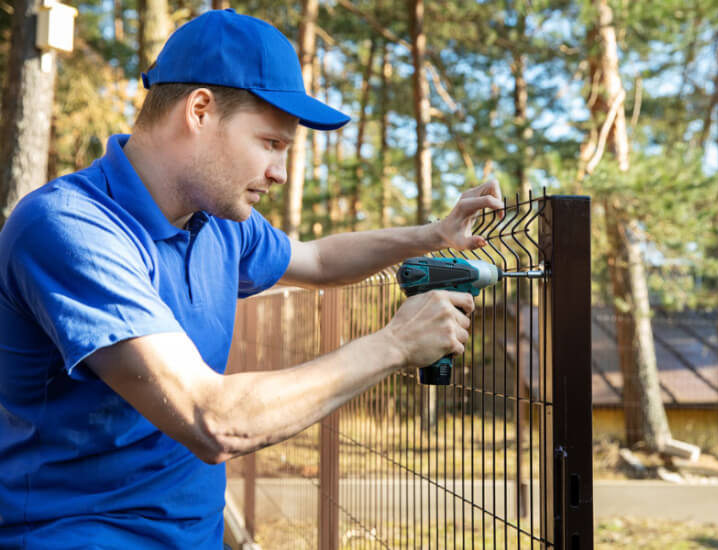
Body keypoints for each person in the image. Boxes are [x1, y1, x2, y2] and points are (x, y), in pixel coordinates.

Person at [0, 8, 502, 549]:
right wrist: (396, 344)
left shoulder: (217, 222)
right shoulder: (72, 228)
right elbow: (210, 418)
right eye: (271, 143)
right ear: (199, 110)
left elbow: (318, 260)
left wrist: (433, 235)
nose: (280, 172)